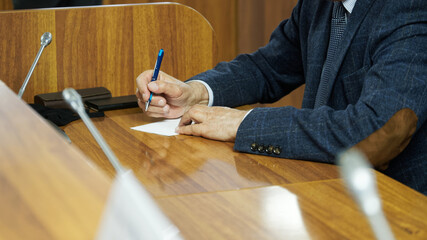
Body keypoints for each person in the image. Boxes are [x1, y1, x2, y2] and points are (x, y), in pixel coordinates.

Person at [136, 0, 427, 194]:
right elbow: (268, 67)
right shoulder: (320, 4)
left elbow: (378, 129)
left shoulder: (411, 9)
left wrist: (243, 124)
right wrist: (197, 93)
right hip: (323, 188)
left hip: (394, 206)